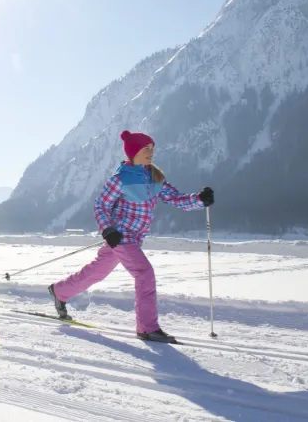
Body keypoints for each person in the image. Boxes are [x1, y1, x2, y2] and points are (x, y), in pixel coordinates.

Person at [48, 130, 214, 343]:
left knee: (97, 271)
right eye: (146, 149)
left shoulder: (154, 177)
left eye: (152, 148)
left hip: (133, 238)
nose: (151, 152)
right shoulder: (120, 179)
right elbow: (101, 205)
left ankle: (59, 291)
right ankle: (147, 328)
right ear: (134, 152)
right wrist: (108, 229)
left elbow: (175, 199)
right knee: (144, 273)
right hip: (121, 236)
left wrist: (199, 199)